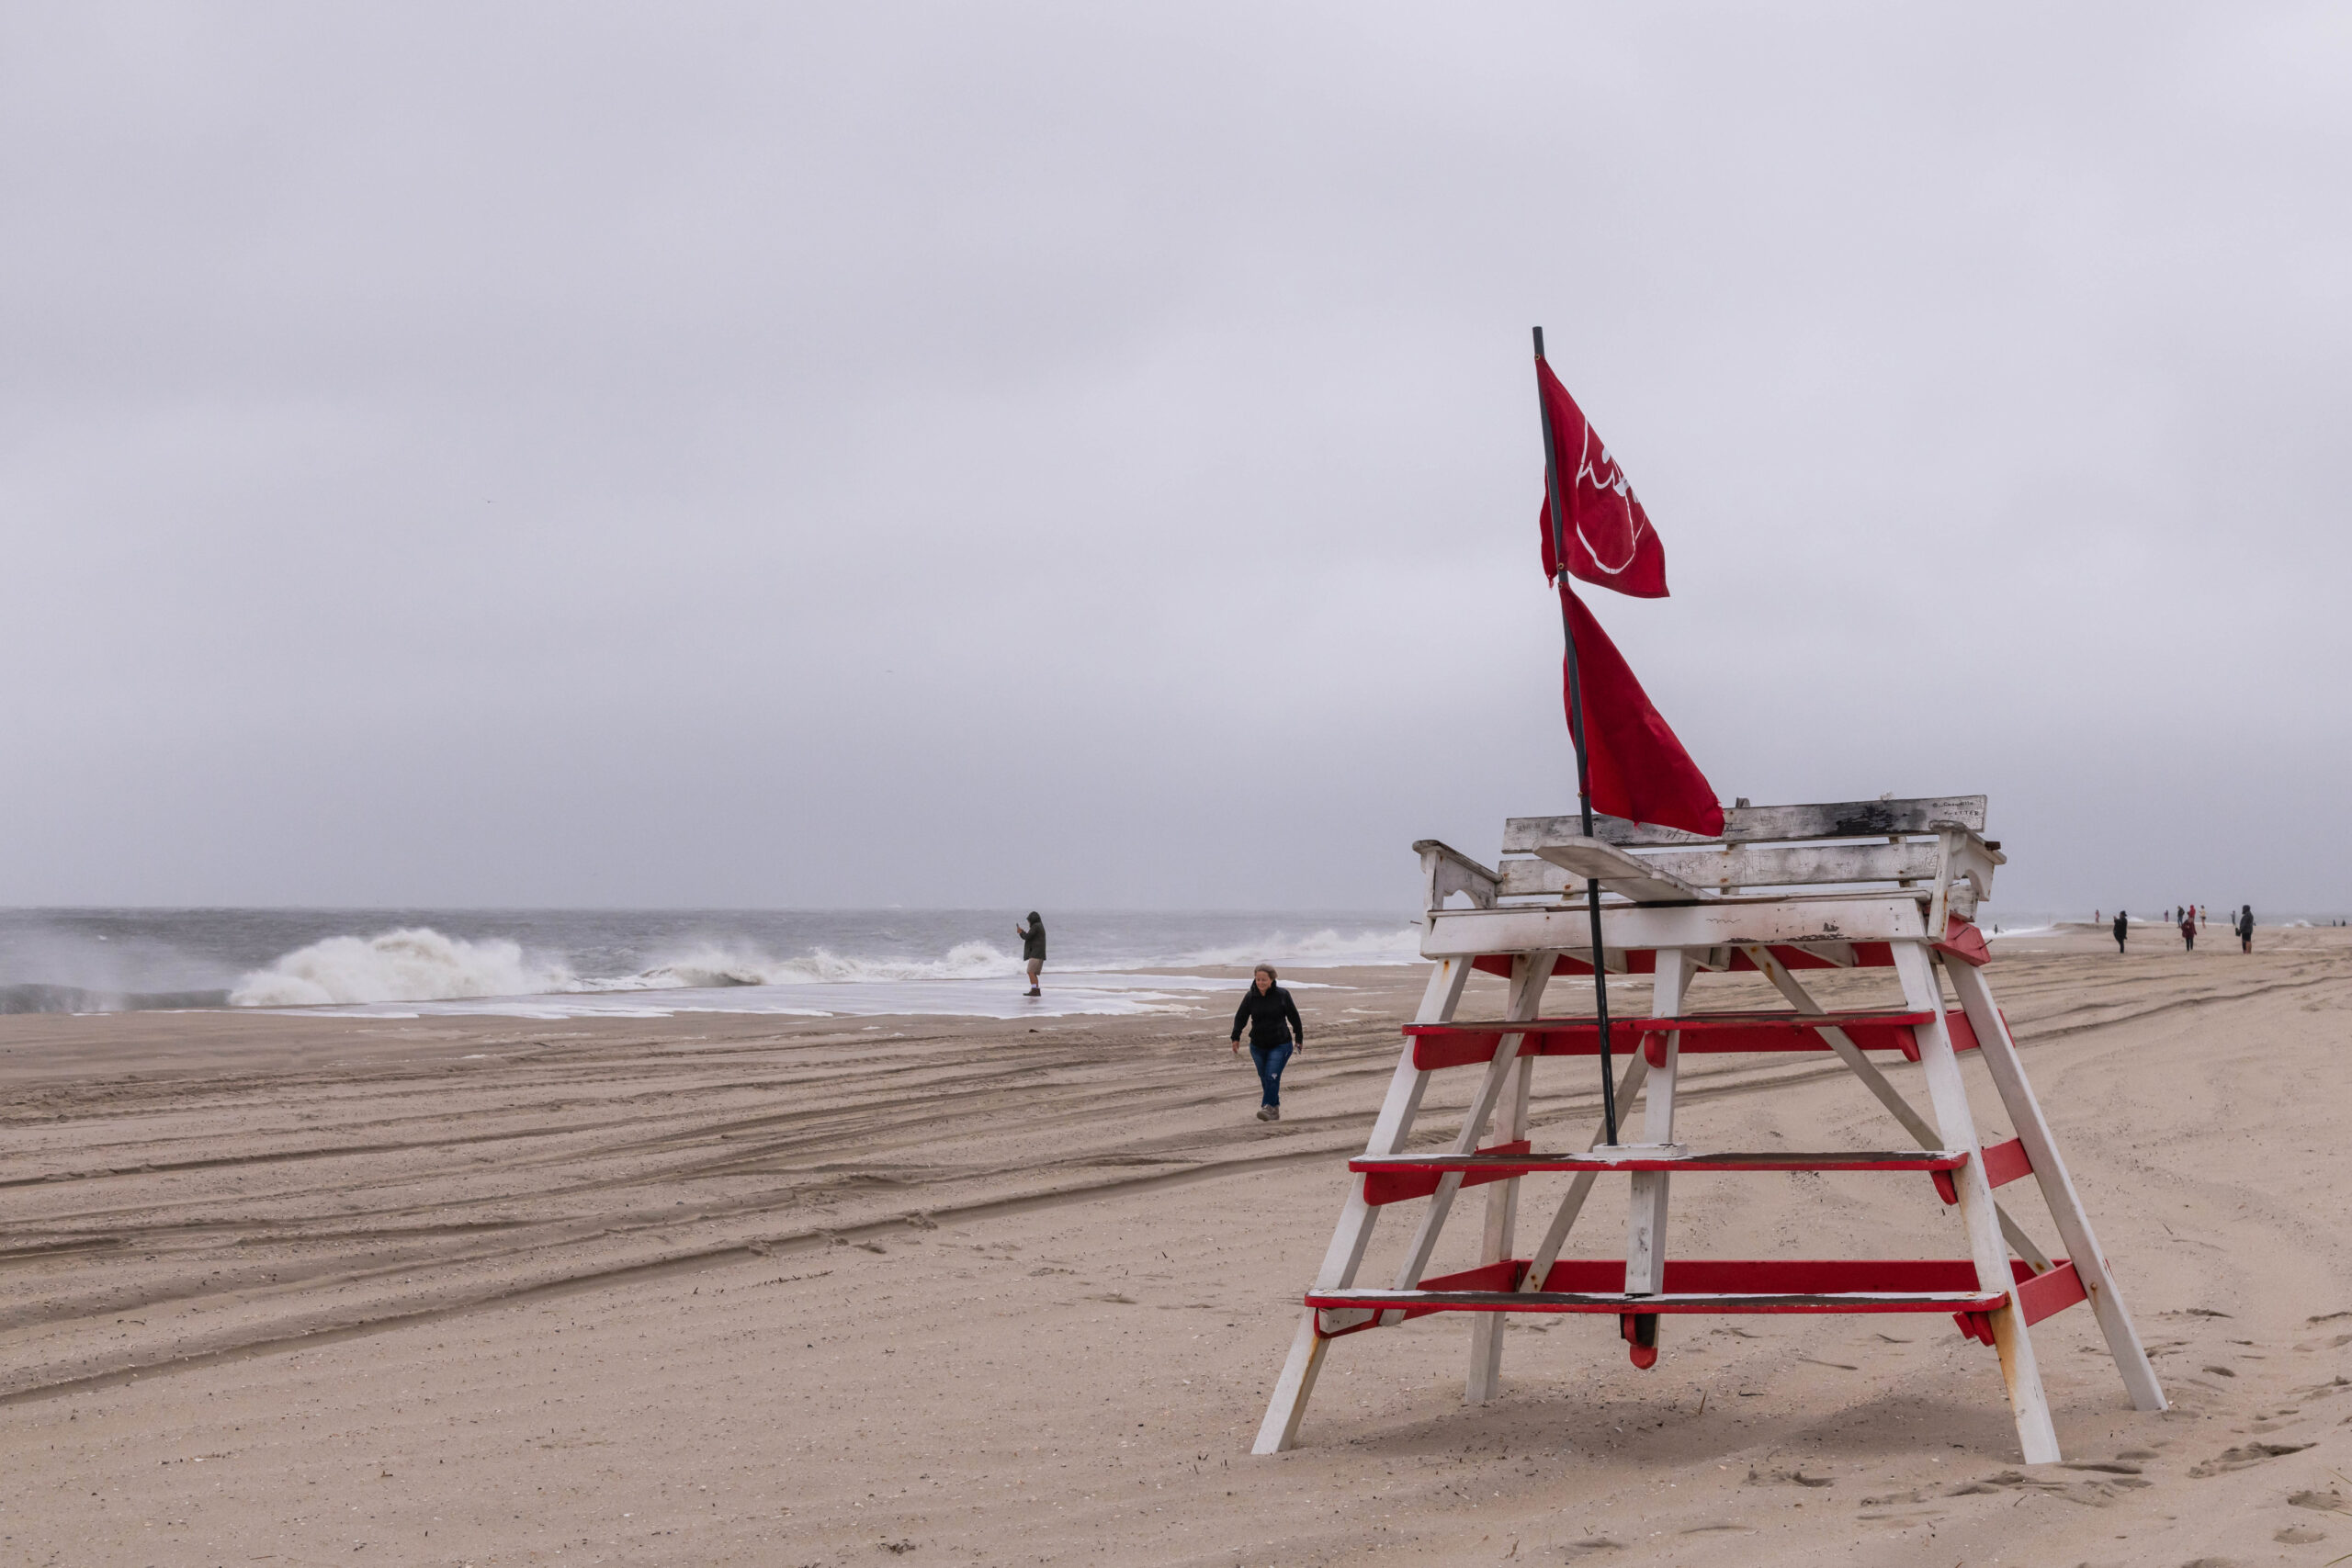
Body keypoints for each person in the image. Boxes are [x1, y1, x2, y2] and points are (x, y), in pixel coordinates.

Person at [1229, 964, 1304, 1122]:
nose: (1260, 983)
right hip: (1257, 1046)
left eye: (1264, 980)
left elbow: (1294, 1017)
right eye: (1258, 979)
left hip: (1280, 1044)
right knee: (1265, 1078)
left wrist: (1299, 1038)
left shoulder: (1282, 995)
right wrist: (1235, 1037)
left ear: (1271, 980)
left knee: (1272, 1076)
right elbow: (1241, 1017)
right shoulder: (1250, 996)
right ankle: (1274, 1109)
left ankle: (1267, 1107)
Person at [1015, 911, 1046, 997]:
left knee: (1030, 972)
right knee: (1033, 973)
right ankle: (1035, 990)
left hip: (1036, 953)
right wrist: (1022, 932)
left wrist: (1021, 932)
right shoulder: (1039, 925)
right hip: (1040, 953)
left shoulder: (1036, 926)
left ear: (1032, 920)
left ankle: (1035, 990)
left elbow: (1027, 937)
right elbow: (1030, 936)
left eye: (1029, 920)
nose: (1028, 922)